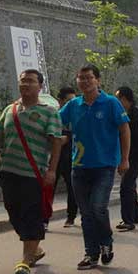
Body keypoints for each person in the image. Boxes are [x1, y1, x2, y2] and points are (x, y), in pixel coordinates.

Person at [0, 69, 63, 274]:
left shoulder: (49, 112)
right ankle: (35, 249)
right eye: (23, 81)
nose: (25, 84)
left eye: (30, 81)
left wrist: (52, 170)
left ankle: (25, 261)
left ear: (40, 86)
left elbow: (56, 142)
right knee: (13, 212)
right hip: (8, 172)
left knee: (31, 215)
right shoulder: (10, 109)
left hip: (34, 175)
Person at [59, 65, 131, 270]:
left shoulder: (110, 103)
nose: (85, 81)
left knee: (98, 208)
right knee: (86, 213)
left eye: (89, 78)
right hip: (80, 167)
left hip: (104, 166)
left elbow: (124, 130)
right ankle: (91, 253)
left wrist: (124, 158)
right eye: (81, 78)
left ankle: (106, 242)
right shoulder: (73, 105)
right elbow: (55, 123)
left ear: (97, 80)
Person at [114, 86, 138, 231]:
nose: (116, 101)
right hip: (126, 155)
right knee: (130, 185)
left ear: (125, 99)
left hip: (135, 156)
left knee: (126, 187)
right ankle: (136, 215)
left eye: (118, 98)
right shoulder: (121, 114)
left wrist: (126, 159)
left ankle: (128, 220)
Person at [55, 86, 80, 228]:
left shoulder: (76, 116)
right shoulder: (54, 115)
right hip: (55, 157)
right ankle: (44, 219)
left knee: (72, 188)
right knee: (48, 187)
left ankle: (71, 217)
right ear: (61, 101)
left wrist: (68, 138)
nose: (73, 103)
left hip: (71, 156)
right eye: (69, 101)